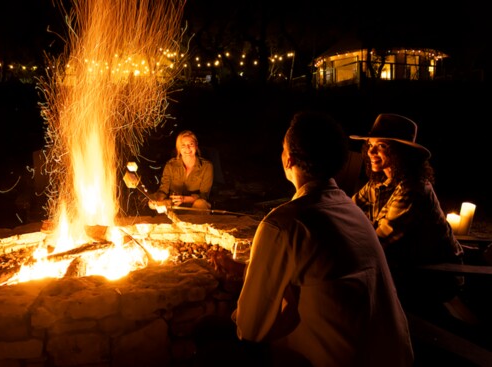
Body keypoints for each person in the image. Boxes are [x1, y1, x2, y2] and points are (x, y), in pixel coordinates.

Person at [232, 110, 414, 366]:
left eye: (283, 148)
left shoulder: (281, 225)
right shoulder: (353, 211)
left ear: (289, 160)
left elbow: (249, 328)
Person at [350, 113, 467, 319]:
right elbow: (347, 210)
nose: (371, 152)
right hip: (403, 265)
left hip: (435, 275)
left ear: (400, 152)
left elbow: (381, 242)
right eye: (370, 145)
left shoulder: (414, 189)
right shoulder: (378, 184)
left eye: (382, 146)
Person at [150, 130, 213, 212]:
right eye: (183, 145)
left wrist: (184, 199)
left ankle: (194, 223)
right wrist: (155, 199)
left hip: (195, 207)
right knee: (155, 205)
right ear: (178, 148)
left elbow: (204, 196)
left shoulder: (206, 166)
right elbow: (163, 190)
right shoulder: (170, 165)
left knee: (201, 203)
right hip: (173, 205)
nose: (187, 148)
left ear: (196, 146)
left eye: (191, 144)